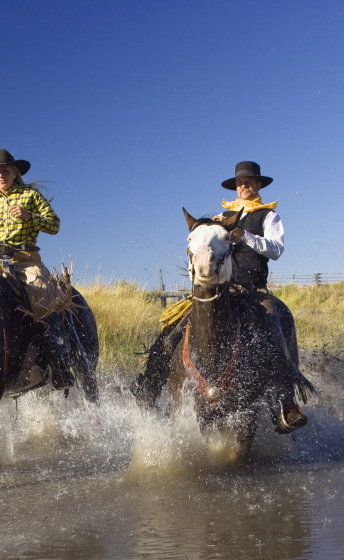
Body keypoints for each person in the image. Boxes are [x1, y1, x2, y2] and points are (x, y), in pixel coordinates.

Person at [132, 160, 308, 432]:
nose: (244, 186)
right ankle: (148, 387)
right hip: (219, 291)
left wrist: (243, 234)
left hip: (253, 293)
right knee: (172, 330)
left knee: (273, 324)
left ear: (259, 184)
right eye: (240, 183)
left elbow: (275, 250)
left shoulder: (268, 217)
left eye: (249, 181)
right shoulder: (222, 218)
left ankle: (285, 403)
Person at [0, 148, 75, 390]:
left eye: (5, 171)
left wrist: (30, 216)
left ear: (14, 172)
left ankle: (60, 364)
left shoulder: (30, 195)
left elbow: (55, 225)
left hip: (26, 259)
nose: (0, 176)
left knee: (44, 296)